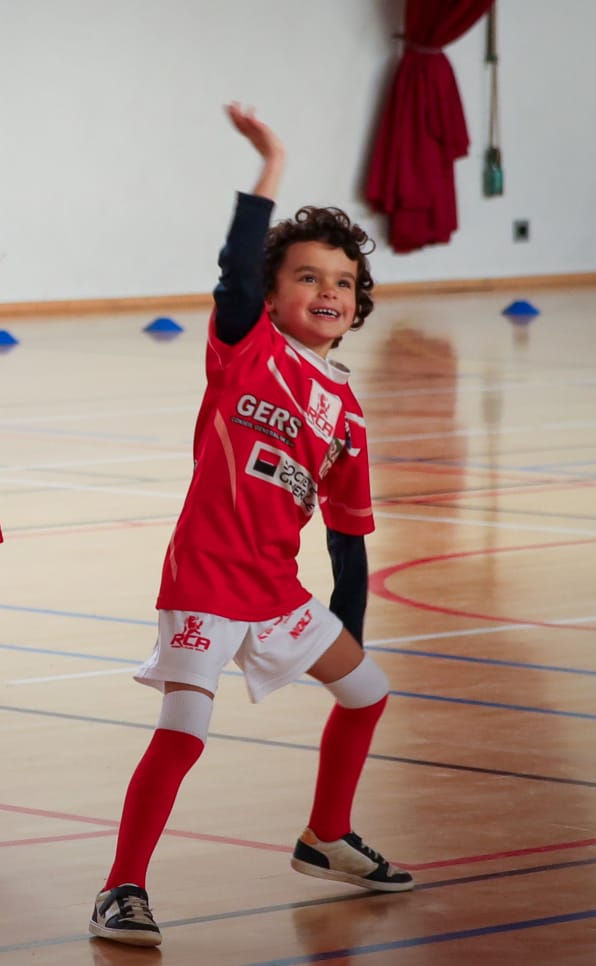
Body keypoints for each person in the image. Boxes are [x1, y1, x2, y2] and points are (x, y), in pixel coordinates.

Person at [88, 104, 413, 948]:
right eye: (307, 277)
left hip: (275, 590)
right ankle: (121, 887)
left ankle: (325, 835)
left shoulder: (345, 409)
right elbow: (234, 266)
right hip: (204, 575)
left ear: (359, 303)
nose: (328, 292)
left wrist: (350, 621)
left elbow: (348, 531)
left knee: (367, 692)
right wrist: (270, 164)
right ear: (272, 294)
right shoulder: (245, 345)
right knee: (184, 734)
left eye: (342, 282)